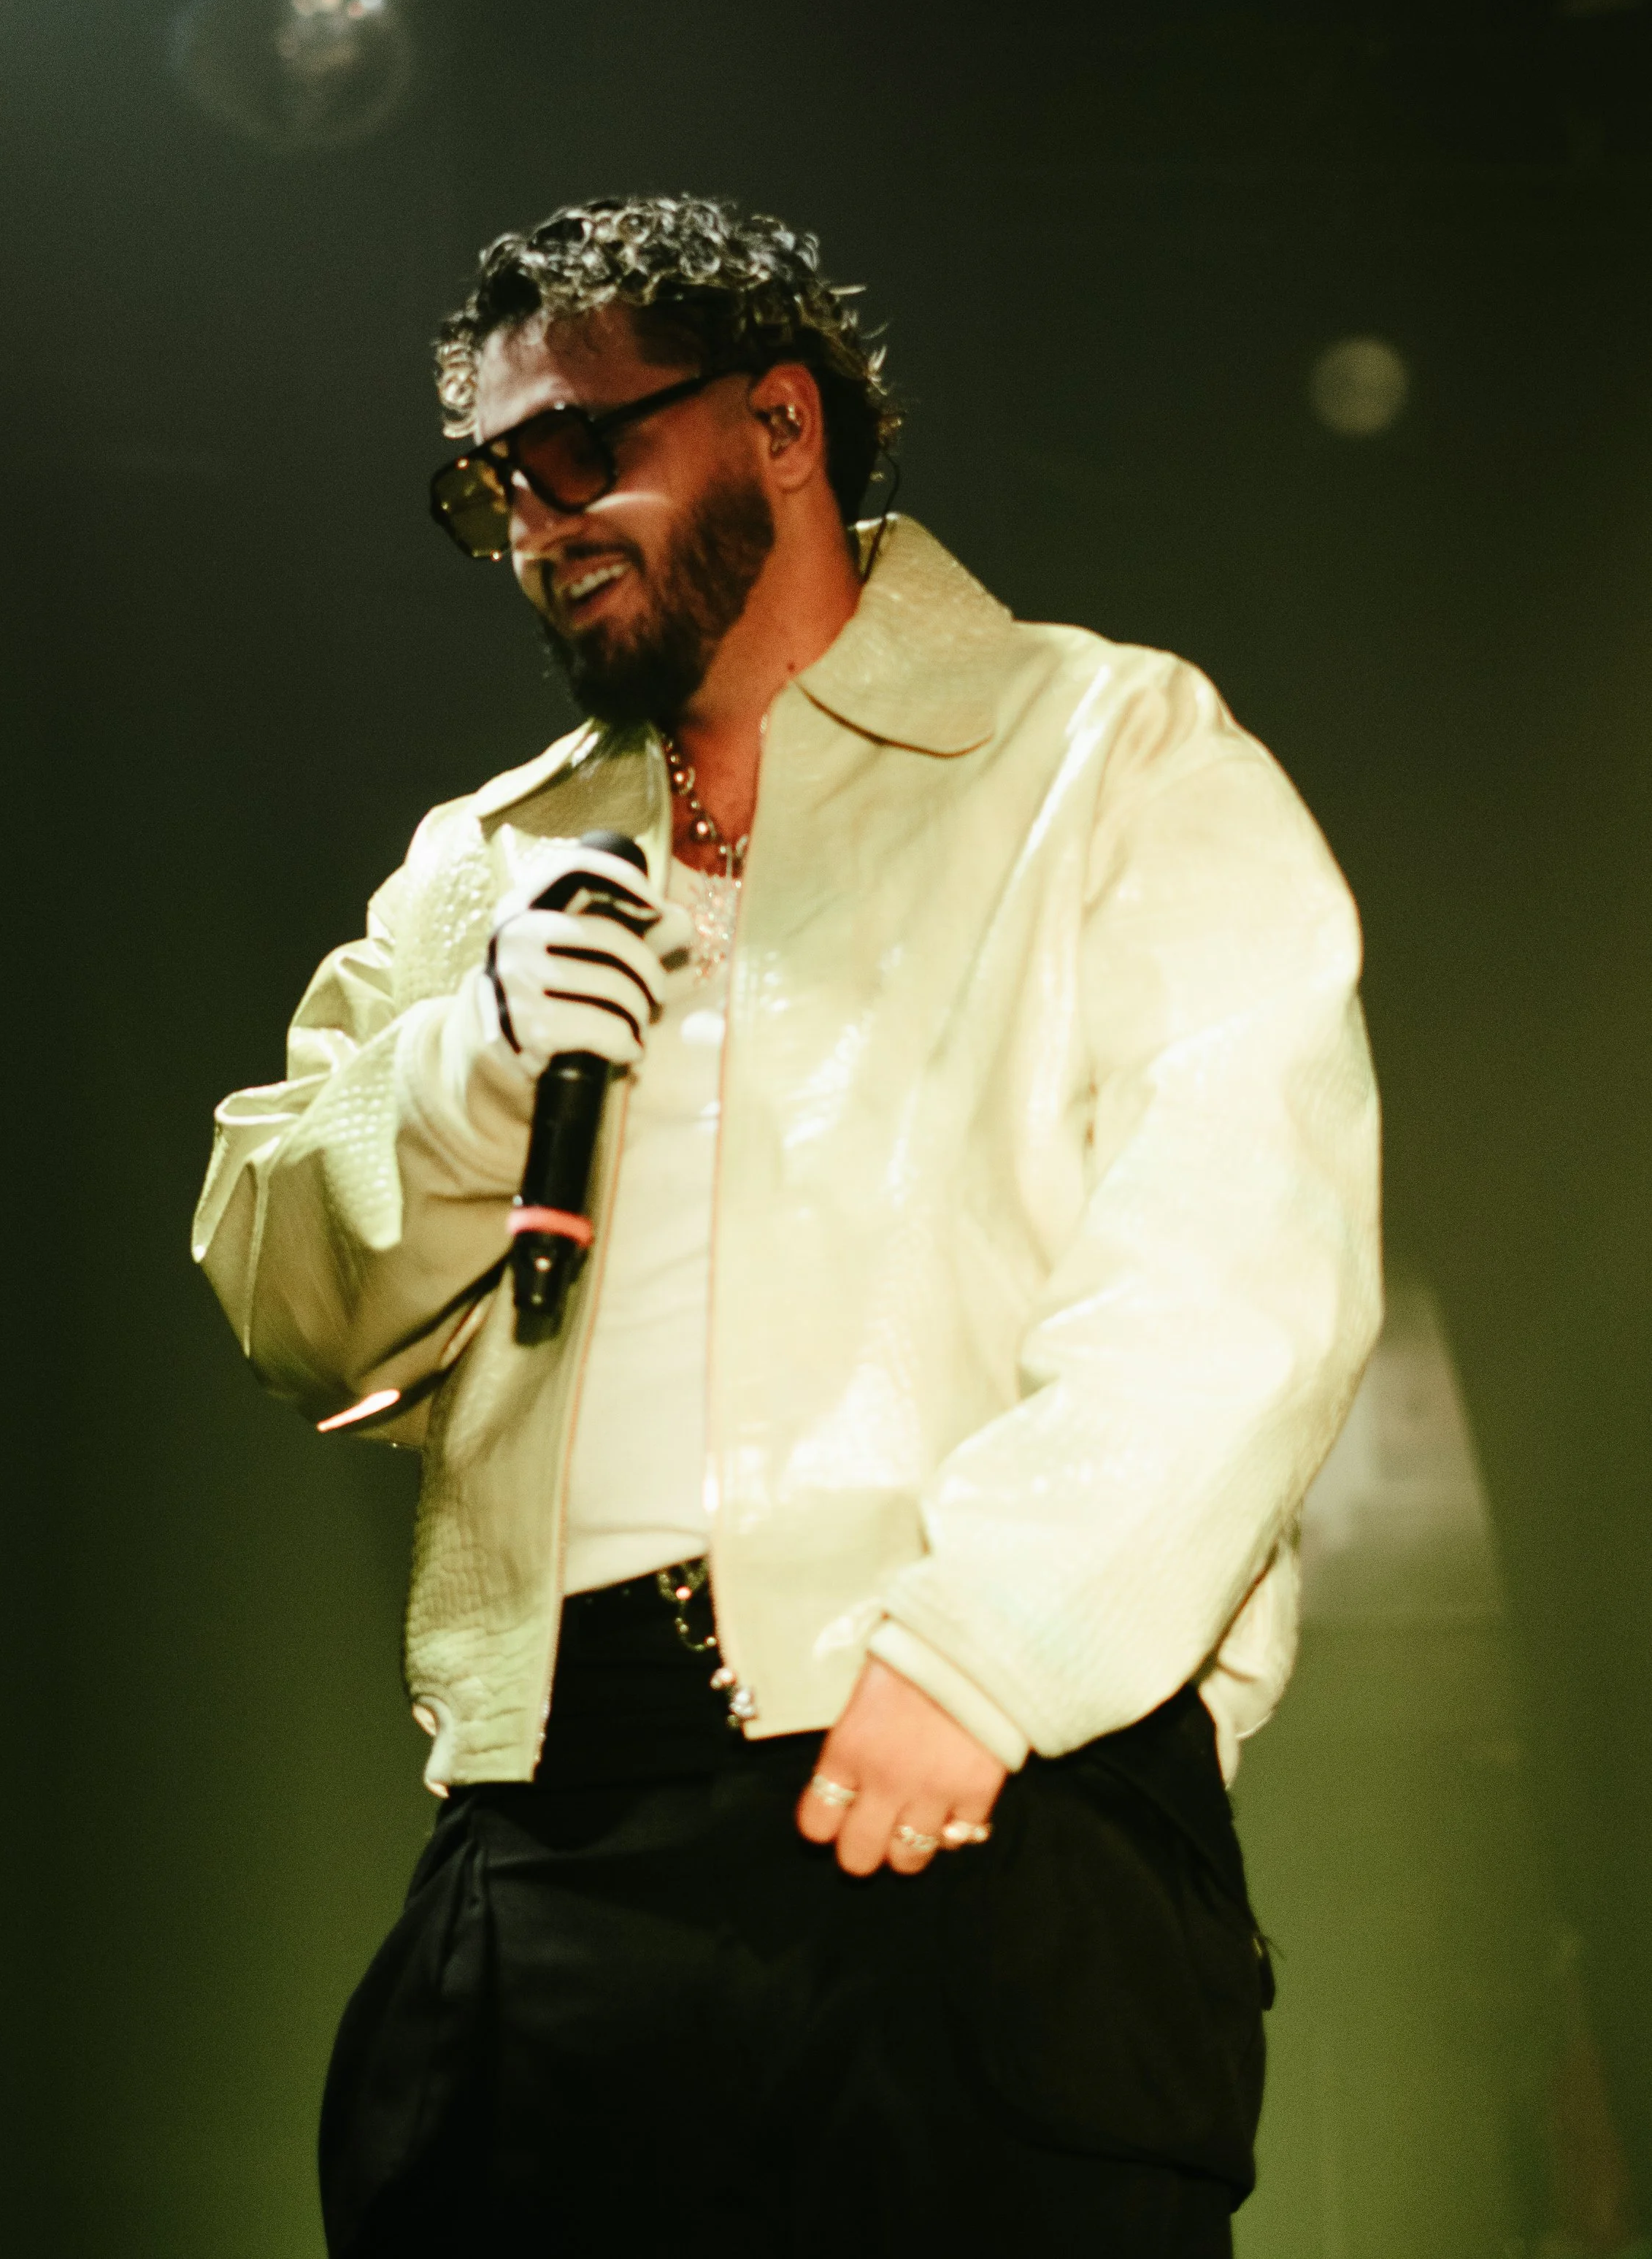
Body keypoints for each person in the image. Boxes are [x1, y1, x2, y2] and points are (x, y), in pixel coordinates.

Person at [192, 194, 1381, 2256]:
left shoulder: (1100, 749)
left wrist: (988, 1647)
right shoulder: (483, 863)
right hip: (547, 1816)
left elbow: (1239, 1245)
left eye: (577, 448)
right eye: (490, 482)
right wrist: (461, 1075)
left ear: (777, 422)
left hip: (965, 1782)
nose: (536, 519)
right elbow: (274, 1279)